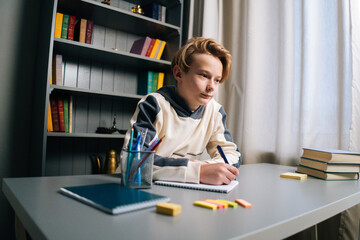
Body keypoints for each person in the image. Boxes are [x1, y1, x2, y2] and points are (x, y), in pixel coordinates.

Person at [117, 37, 241, 185]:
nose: (211, 87)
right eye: (204, 76)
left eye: (217, 80)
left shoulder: (215, 111)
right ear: (179, 74)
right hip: (134, 185)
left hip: (179, 187)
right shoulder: (153, 105)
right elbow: (135, 161)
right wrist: (198, 171)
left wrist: (213, 168)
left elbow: (232, 155)